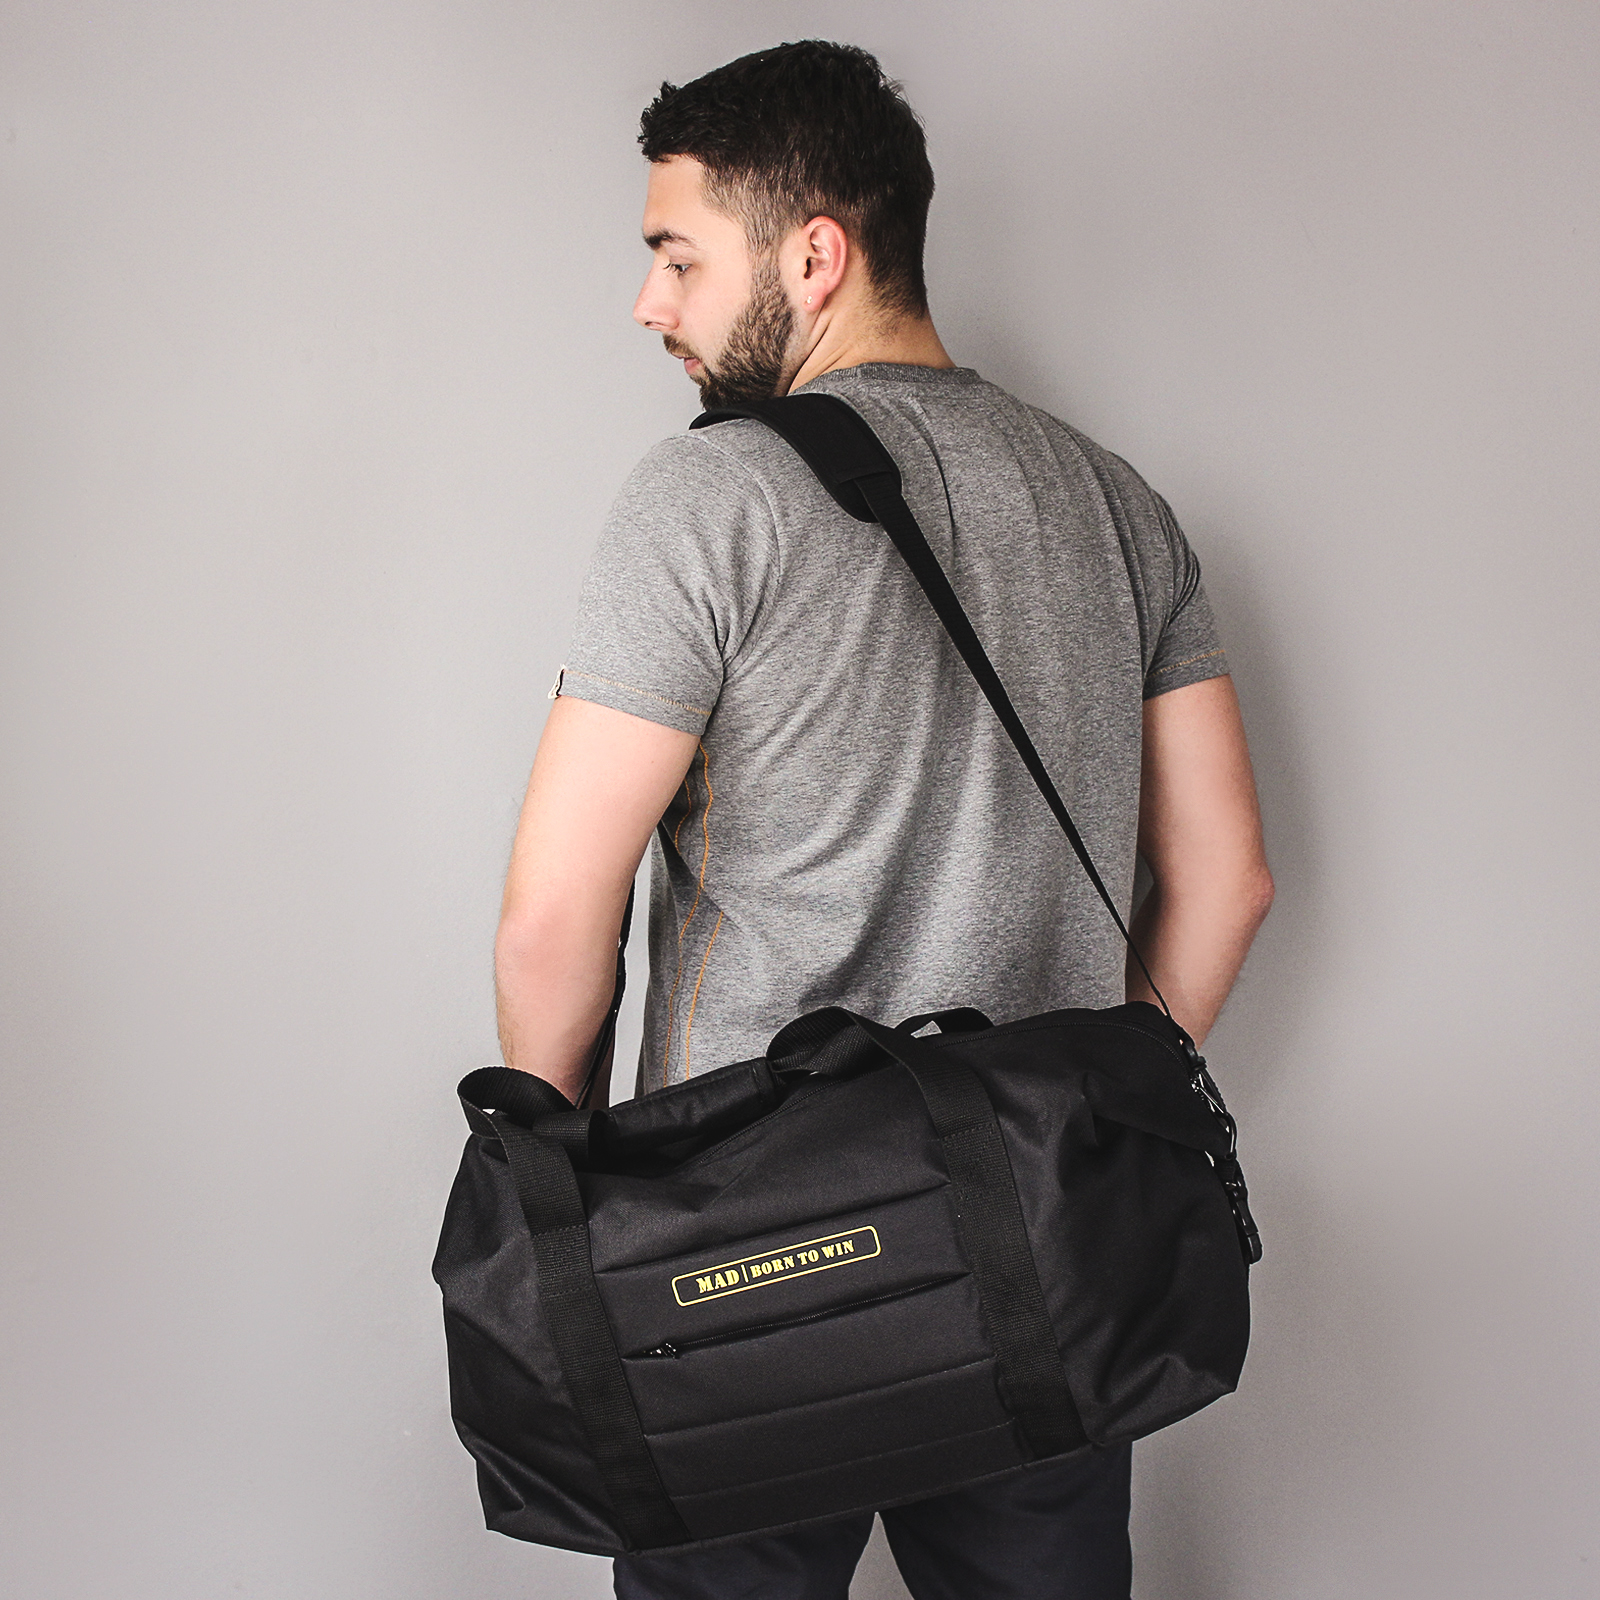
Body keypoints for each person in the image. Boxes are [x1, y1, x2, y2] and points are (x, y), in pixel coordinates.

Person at [492, 39, 1274, 1600]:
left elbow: (553, 917)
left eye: (678, 257)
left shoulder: (709, 501)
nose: (650, 303)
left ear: (815, 256)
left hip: (739, 1271)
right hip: (1044, 1249)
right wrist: (1094, 1117)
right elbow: (1230, 878)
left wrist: (552, 1210)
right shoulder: (1116, 502)